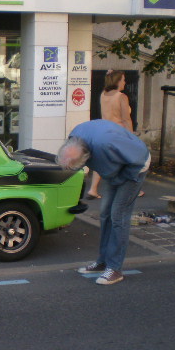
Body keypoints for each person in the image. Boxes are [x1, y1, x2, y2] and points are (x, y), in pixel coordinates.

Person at [57, 119, 150, 285]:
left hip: (135, 166)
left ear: (86, 159)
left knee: (118, 216)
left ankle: (115, 268)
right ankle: (103, 261)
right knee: (105, 213)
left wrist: (121, 178)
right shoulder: (75, 138)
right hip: (114, 169)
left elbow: (137, 158)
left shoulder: (106, 145)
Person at [87, 70, 144, 198]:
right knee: (130, 161)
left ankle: (93, 189)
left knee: (101, 159)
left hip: (104, 131)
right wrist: (131, 136)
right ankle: (133, 189)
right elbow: (126, 118)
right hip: (119, 133)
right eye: (123, 79)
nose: (125, 82)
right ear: (117, 81)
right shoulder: (121, 97)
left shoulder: (103, 94)